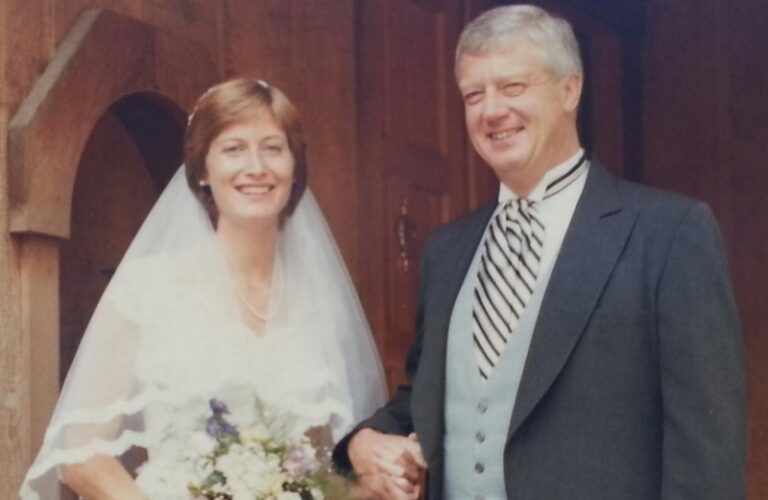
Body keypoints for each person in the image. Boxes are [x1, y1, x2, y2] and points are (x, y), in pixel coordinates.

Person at [333, 5, 746, 499]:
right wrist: (360, 441)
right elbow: (429, 398)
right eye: (473, 94)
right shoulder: (447, 250)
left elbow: (705, 454)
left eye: (513, 87)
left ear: (569, 90)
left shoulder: (669, 234)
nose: (491, 110)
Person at [20, 78, 387, 499]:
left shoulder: (321, 304)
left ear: (293, 168)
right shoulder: (148, 290)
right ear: (203, 173)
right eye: (233, 149)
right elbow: (81, 455)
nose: (256, 167)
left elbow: (331, 469)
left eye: (272, 147)